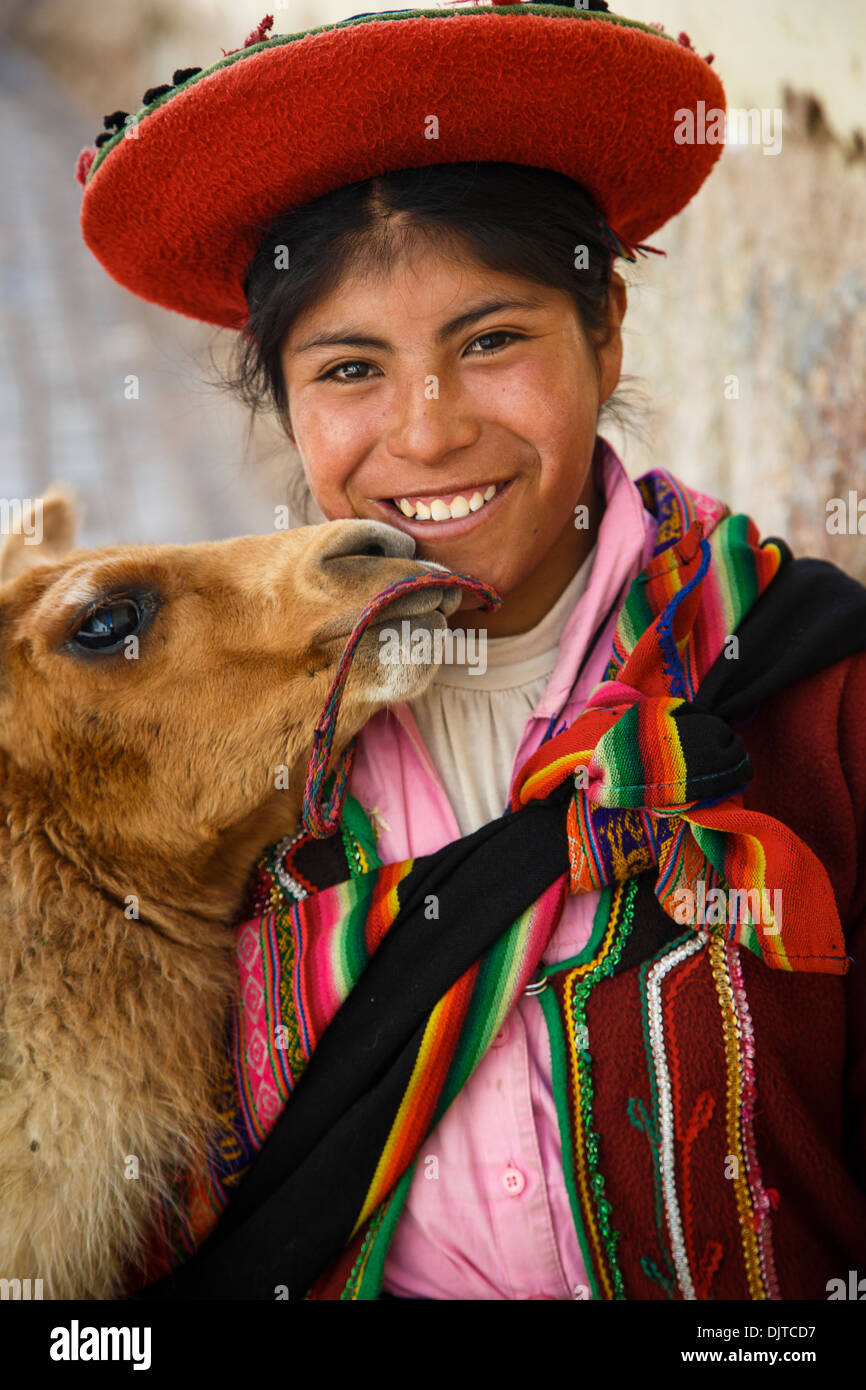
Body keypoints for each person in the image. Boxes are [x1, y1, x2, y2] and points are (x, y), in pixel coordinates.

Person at [77, 2, 866, 1301]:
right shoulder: (224, 747)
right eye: (348, 370)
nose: (428, 432)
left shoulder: (815, 696)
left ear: (602, 331)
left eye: (490, 341)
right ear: (280, 400)